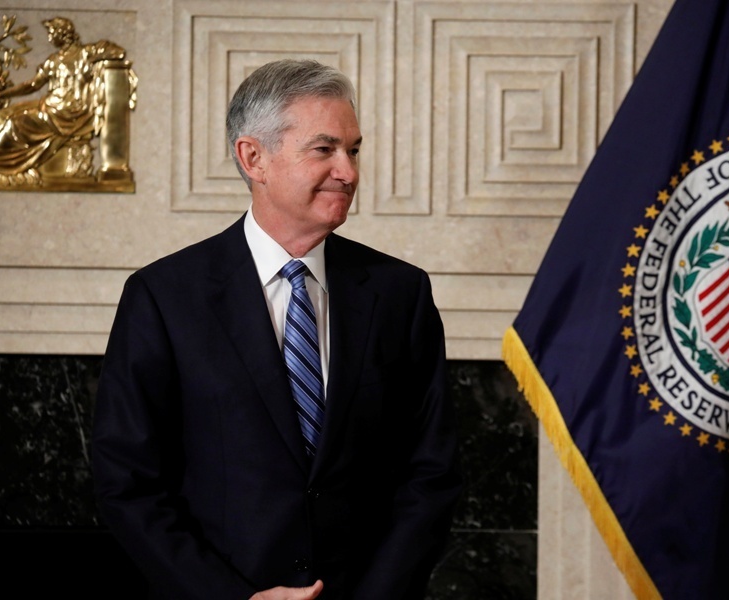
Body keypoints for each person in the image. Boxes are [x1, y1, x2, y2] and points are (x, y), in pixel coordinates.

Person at [91, 59, 462, 600]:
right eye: (324, 149)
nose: (349, 172)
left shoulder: (401, 294)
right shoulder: (163, 297)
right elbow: (127, 482)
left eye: (353, 150)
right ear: (253, 158)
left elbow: (431, 472)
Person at [0, 17, 129, 183]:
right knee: (10, 113)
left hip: (66, 112)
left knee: (16, 123)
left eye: (51, 33)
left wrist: (98, 56)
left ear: (62, 34)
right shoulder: (54, 60)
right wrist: (4, 94)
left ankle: (3, 160)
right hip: (51, 105)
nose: (49, 38)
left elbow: (118, 52)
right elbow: (32, 85)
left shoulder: (85, 53)